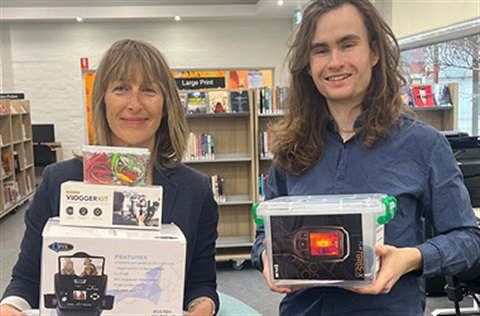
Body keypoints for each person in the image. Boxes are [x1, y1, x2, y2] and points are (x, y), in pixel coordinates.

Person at [250, 1, 480, 315]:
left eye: (347, 44)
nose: (334, 62)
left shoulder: (423, 145)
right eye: (320, 50)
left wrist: (411, 258)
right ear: (307, 64)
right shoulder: (290, 148)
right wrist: (266, 254)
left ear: (373, 53)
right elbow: (266, 230)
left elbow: (468, 238)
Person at [0, 39, 219, 315]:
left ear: (165, 106)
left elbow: (201, 284)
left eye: (149, 90)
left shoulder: (195, 190)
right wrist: (9, 307)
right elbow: (26, 281)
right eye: (121, 88)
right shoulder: (59, 181)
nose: (135, 104)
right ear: (102, 101)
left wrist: (203, 307)